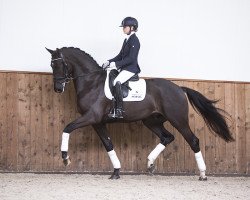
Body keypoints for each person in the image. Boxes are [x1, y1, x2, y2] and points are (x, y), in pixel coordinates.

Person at [102, 17, 141, 118]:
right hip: (124, 68)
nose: (123, 28)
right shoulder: (127, 40)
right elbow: (120, 56)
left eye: (125, 26)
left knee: (116, 82)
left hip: (131, 69)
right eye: (123, 27)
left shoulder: (135, 41)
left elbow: (131, 59)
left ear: (132, 27)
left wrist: (115, 64)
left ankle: (119, 110)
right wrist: (109, 61)